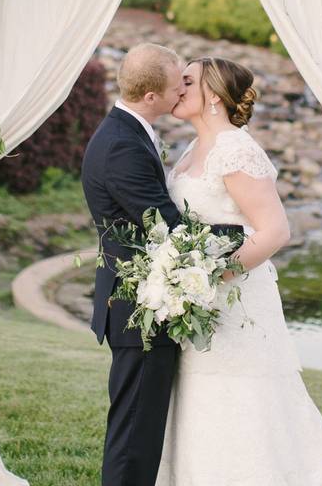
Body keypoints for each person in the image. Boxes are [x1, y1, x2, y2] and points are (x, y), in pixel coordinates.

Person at [155, 57, 322, 485]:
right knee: (199, 399)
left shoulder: (236, 149)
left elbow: (274, 231)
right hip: (197, 302)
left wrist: (205, 276)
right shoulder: (191, 149)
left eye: (187, 81)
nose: (176, 87)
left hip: (234, 304)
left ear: (215, 96)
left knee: (239, 397)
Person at [80, 43, 244, 486]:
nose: (181, 93)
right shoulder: (120, 146)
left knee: (143, 428)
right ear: (151, 97)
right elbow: (167, 226)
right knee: (135, 434)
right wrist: (243, 234)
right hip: (140, 308)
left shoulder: (130, 132)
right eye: (177, 87)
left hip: (149, 302)